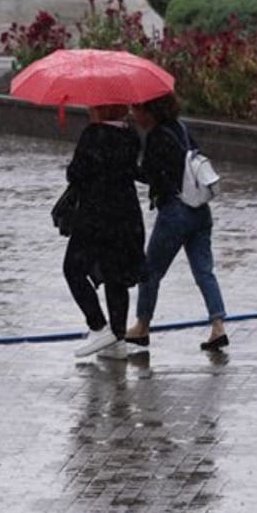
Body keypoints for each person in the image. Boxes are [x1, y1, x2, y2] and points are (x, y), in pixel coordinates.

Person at [125, 94, 229, 351]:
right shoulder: (182, 129)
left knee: (150, 272)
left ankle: (142, 326)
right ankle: (218, 327)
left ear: (149, 111)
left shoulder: (156, 137)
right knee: (204, 271)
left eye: (136, 109)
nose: (133, 114)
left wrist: (128, 166)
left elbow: (151, 176)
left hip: (175, 213)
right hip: (200, 212)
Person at [64, 104, 147, 359]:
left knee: (73, 269)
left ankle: (98, 326)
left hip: (95, 217)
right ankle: (118, 338)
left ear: (101, 108)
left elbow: (75, 174)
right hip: (126, 215)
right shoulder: (130, 134)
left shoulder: (93, 134)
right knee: (116, 275)